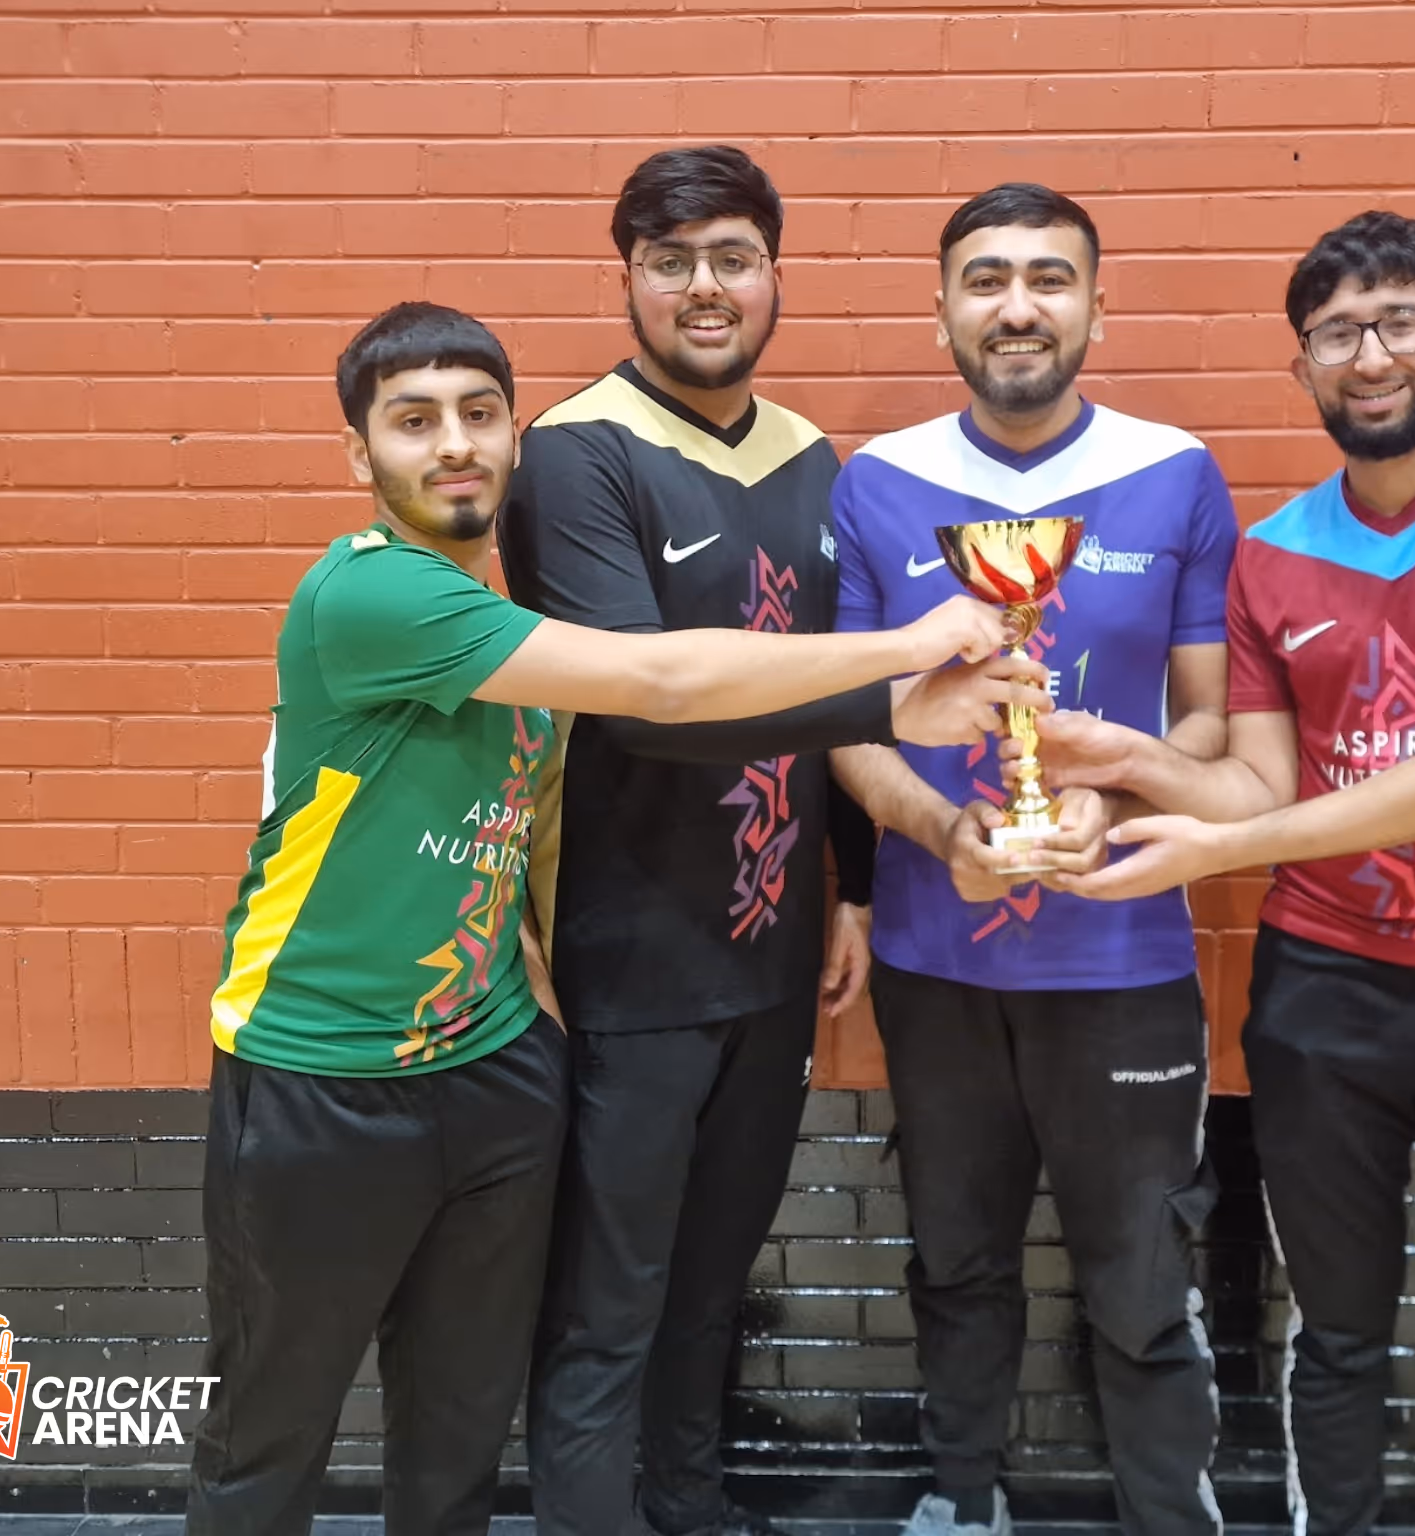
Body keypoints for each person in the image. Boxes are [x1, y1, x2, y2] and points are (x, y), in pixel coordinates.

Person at [187, 300, 1019, 1536]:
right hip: (321, 1080)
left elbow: (517, 838)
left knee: (459, 1435)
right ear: (360, 455)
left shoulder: (523, 639)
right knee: (271, 1438)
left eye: (479, 415)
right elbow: (664, 679)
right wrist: (901, 669)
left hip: (488, 1071)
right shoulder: (371, 599)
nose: (455, 444)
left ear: (514, 434)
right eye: (412, 423)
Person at [1043, 212, 1415, 1536]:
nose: (1370, 355)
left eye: (1400, 322)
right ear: (1302, 364)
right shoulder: (1271, 556)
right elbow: (1262, 786)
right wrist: (1123, 761)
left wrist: (1223, 851)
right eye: (1337, 334)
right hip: (1326, 997)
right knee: (1340, 1345)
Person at [497, 148, 1042, 1536]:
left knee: (711, 1278)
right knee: (609, 1299)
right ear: (626, 276)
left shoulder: (812, 459)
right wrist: (904, 672)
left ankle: (690, 1506)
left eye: (731, 255)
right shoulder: (573, 456)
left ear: (773, 272)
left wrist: (851, 886)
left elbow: (822, 709)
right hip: (629, 952)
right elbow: (658, 702)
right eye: (669, 260)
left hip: (776, 942)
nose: (703, 287)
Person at [828, 184, 1239, 1536]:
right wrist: (950, 831)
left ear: (1095, 308)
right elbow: (845, 722)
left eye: (1050, 279)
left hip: (1125, 949)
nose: (1018, 305)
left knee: (1137, 1267)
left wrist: (1110, 807)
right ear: (941, 307)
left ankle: (1169, 1513)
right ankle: (962, 1498)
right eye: (988, 278)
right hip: (933, 955)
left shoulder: (1177, 471)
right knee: (955, 1256)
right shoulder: (878, 480)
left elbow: (1207, 724)